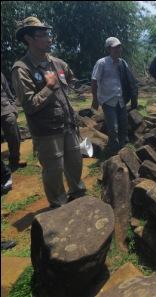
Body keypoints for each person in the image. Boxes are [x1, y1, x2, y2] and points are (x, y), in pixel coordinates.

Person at [12, 16, 86, 208]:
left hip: (68, 123)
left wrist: (71, 85)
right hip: (46, 131)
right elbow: (28, 105)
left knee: (75, 162)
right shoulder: (22, 69)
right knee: (54, 170)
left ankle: (78, 195)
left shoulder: (57, 62)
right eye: (42, 34)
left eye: (48, 34)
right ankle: (59, 206)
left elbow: (70, 78)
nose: (49, 38)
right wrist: (50, 87)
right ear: (29, 39)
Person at [92, 37, 138, 153]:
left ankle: (121, 149)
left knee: (123, 125)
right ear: (109, 49)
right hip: (108, 100)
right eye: (115, 47)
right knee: (113, 128)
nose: (118, 49)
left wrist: (133, 96)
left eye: (119, 47)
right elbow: (94, 80)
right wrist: (95, 99)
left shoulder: (123, 63)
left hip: (121, 100)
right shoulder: (102, 63)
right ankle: (113, 150)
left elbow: (129, 80)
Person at [1, 72, 26, 171]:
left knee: (15, 137)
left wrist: (13, 108)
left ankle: (15, 160)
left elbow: (7, 91)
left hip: (6, 109)